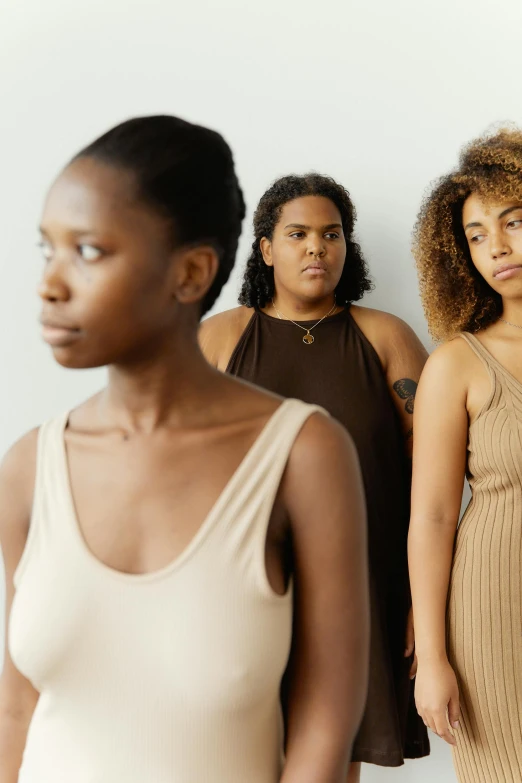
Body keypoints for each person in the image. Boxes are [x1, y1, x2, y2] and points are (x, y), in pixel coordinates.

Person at [0, 116, 370, 783]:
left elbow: (326, 721)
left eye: (87, 251)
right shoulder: (29, 466)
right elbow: (16, 708)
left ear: (193, 271)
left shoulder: (303, 454)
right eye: (45, 248)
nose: (48, 284)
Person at [200, 173, 430, 781]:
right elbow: (174, 470)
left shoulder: (384, 337)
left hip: (362, 584)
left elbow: (433, 478)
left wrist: (422, 597)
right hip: (243, 587)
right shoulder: (220, 338)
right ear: (267, 248)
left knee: (334, 760)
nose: (316, 248)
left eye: (331, 234)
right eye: (297, 233)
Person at [409, 127, 522, 783]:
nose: (497, 247)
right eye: (476, 235)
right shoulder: (457, 364)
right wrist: (433, 657)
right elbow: (430, 518)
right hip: (493, 615)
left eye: (512, 223)